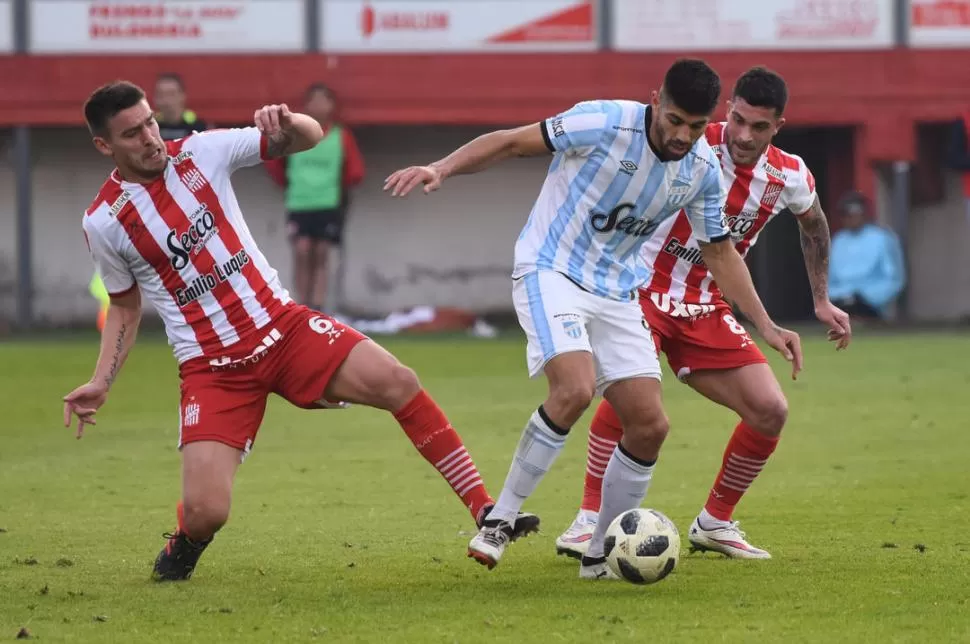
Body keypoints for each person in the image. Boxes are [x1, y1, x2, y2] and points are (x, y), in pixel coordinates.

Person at [63, 81, 538, 582]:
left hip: (282, 328)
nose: (150, 138)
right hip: (213, 369)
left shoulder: (202, 151)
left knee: (398, 381)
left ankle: (488, 512)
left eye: (150, 123)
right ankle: (185, 543)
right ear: (104, 145)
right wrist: (102, 380)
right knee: (208, 513)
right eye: (132, 133)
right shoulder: (104, 221)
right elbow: (123, 306)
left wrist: (290, 123)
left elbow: (310, 137)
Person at [384, 59, 802, 579]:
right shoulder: (603, 122)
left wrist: (766, 324)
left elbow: (719, 253)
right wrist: (441, 168)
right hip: (551, 268)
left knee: (649, 425)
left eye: (696, 127)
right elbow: (514, 142)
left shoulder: (699, 170)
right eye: (674, 120)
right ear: (656, 100)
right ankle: (499, 520)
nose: (682, 136)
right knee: (575, 389)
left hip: (618, 290)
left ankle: (600, 552)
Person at [554, 66, 852, 563]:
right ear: (727, 108)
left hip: (704, 305)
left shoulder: (788, 175)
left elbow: (815, 223)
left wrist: (820, 298)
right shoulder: (686, 142)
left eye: (759, 127)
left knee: (770, 409)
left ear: (778, 126)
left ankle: (714, 522)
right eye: (737, 119)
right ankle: (589, 520)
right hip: (638, 291)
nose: (743, 135)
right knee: (632, 397)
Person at [265, 83, 365, 312]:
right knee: (302, 250)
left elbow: (354, 171)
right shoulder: (295, 135)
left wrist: (339, 190)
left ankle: (317, 305)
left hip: (327, 203)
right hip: (300, 202)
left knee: (321, 253)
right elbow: (276, 162)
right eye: (314, 100)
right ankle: (302, 305)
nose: (319, 105)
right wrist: (289, 184)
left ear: (332, 105)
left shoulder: (341, 136)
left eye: (324, 100)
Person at [829, 190, 905, 320]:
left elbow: (894, 279)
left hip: (871, 306)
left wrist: (868, 297)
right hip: (839, 304)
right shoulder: (838, 241)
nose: (852, 218)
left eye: (856, 213)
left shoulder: (882, 238)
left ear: (864, 213)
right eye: (847, 214)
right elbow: (828, 280)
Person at [153, 72, 209, 141]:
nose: (165, 100)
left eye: (171, 94)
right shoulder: (151, 128)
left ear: (182, 96)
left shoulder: (198, 128)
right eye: (161, 95)